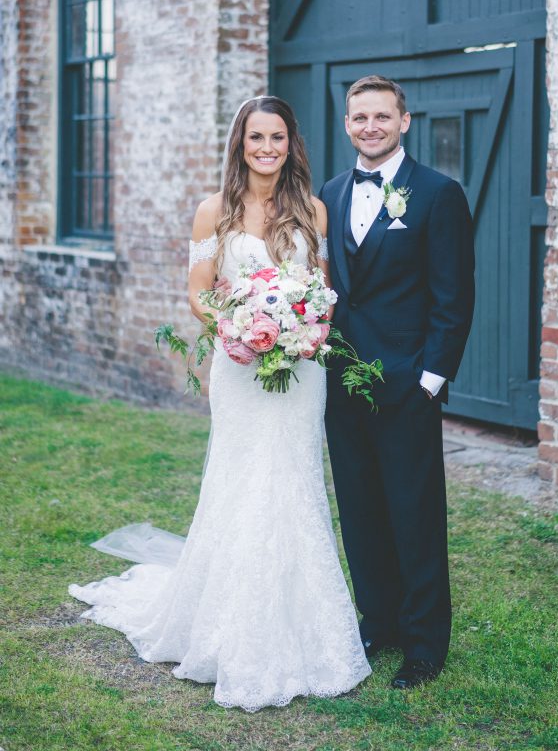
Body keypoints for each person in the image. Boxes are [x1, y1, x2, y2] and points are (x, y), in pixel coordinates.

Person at [69, 96, 371, 712]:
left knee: (294, 483)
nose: (267, 148)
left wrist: (303, 323)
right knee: (239, 485)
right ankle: (225, 627)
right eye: (256, 137)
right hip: (239, 370)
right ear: (240, 143)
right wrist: (238, 326)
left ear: (292, 144)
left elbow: (323, 289)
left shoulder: (310, 209)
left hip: (300, 368)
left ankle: (302, 629)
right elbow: (198, 294)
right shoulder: (214, 211)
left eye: (278, 137)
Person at [320, 75, 475, 689]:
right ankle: (377, 622)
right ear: (348, 123)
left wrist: (431, 382)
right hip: (341, 383)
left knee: (414, 515)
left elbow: (453, 296)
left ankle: (423, 644)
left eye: (382, 117)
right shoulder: (329, 194)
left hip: (408, 385)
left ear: (404, 121)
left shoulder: (438, 194)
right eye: (360, 118)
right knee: (359, 512)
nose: (370, 127)